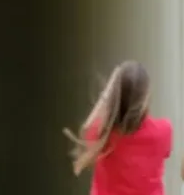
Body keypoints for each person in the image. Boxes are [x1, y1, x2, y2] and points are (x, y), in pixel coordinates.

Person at [63, 60, 172, 195]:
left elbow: (86, 130)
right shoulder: (163, 131)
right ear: (145, 97)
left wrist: (107, 93)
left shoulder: (103, 133)